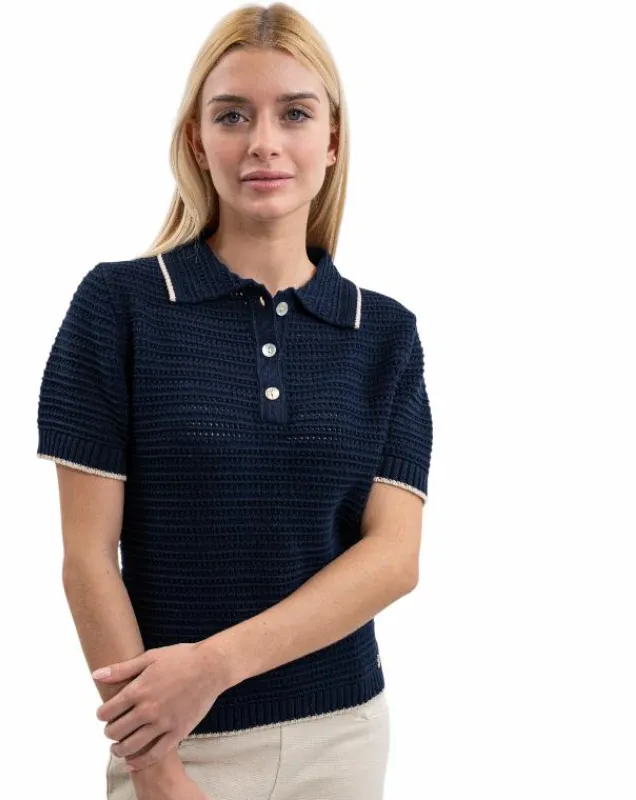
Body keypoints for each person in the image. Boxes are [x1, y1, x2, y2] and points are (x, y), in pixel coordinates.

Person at [36, 3, 433, 798]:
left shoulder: (384, 332)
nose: (264, 142)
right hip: (177, 741)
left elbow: (393, 558)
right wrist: (155, 767)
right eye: (232, 115)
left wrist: (213, 665)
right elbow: (88, 559)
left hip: (345, 736)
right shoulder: (119, 307)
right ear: (196, 140)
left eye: (295, 113)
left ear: (333, 139)